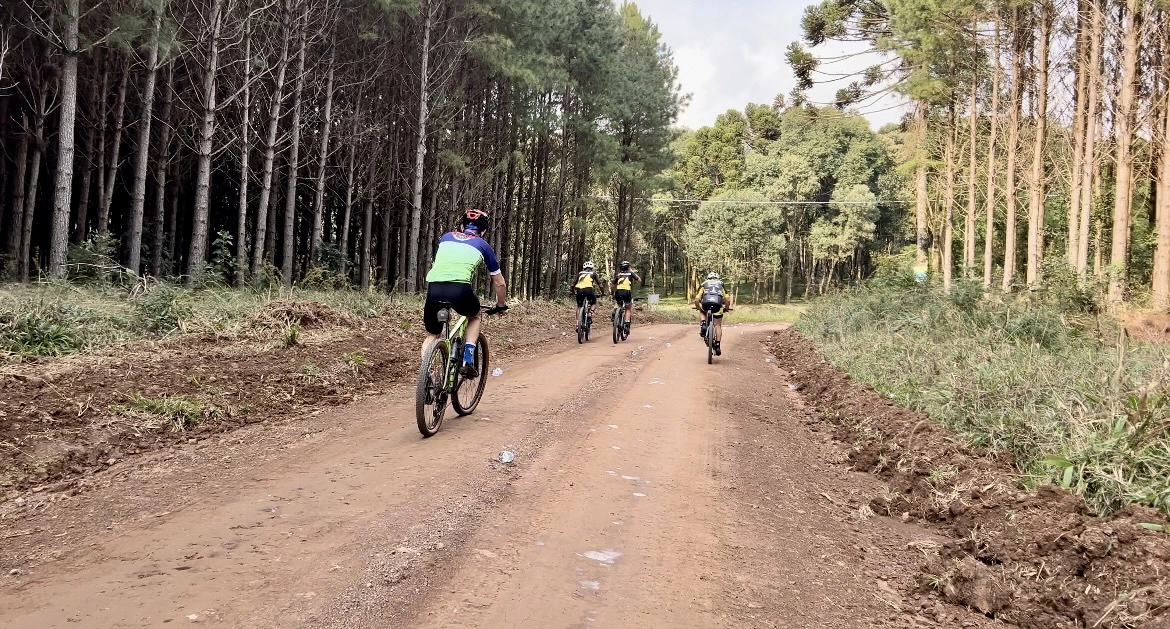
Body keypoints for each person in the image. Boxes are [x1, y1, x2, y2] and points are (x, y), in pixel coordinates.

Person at [422, 209, 508, 377]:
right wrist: (501, 305)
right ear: (483, 231)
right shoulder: (483, 245)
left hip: (434, 287)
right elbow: (500, 282)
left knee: (432, 334)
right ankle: (468, 359)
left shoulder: (445, 237)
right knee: (475, 315)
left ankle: (427, 378)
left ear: (462, 226)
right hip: (460, 289)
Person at [694, 271, 731, 356]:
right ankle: (717, 345)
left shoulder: (704, 283)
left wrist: (698, 307)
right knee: (717, 325)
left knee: (702, 310)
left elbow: (697, 299)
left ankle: (703, 324)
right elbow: (727, 300)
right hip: (718, 305)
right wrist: (726, 308)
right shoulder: (721, 284)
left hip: (706, 304)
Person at [612, 261, 641, 333]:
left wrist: (612, 292)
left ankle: (615, 310)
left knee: (618, 303)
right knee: (628, 308)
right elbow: (640, 280)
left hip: (618, 292)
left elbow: (613, 285)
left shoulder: (618, 275)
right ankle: (627, 325)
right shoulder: (631, 273)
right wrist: (632, 272)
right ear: (628, 267)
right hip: (627, 292)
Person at [572, 261, 602, 331]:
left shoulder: (580, 273)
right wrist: (602, 292)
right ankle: (590, 314)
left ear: (584, 268)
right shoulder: (593, 273)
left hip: (579, 290)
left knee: (579, 306)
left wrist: (573, 291)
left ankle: (577, 324)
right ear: (592, 268)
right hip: (589, 290)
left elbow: (573, 284)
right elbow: (600, 284)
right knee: (594, 303)